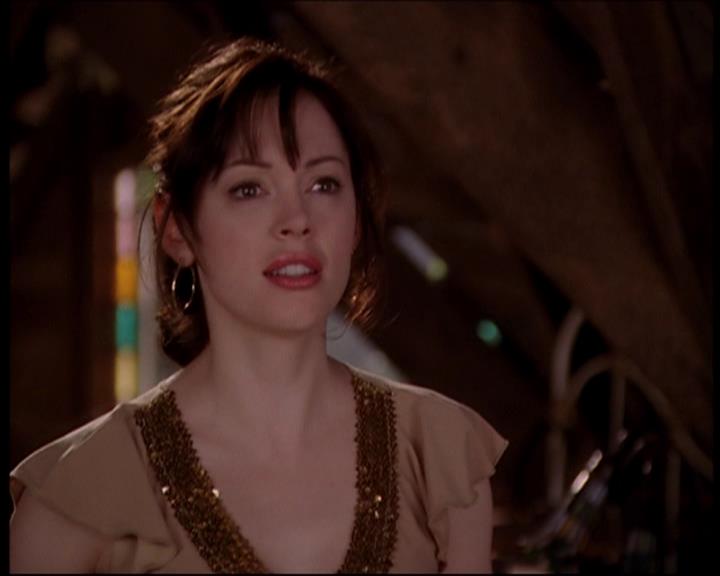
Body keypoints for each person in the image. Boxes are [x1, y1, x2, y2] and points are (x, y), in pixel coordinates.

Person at [9, 37, 508, 573]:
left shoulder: (440, 458)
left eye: (324, 184)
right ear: (175, 228)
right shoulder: (74, 498)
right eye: (249, 188)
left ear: (357, 220)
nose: (297, 220)